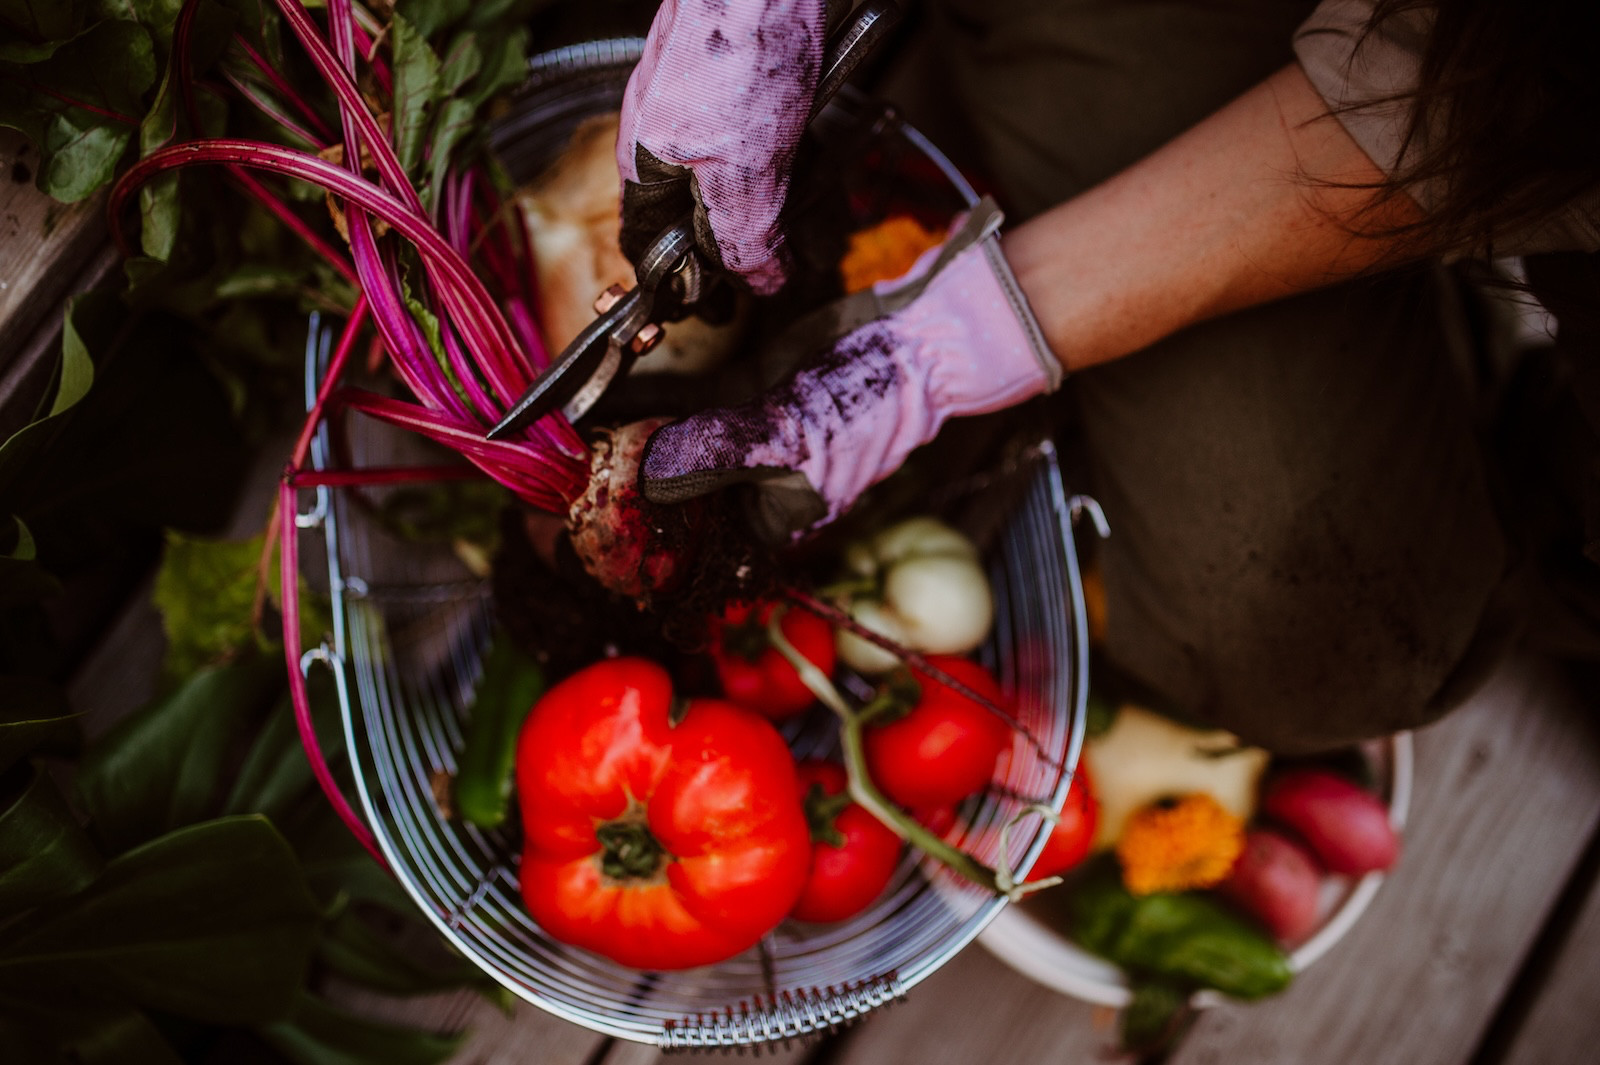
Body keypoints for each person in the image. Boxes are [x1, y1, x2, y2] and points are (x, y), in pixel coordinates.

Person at [610, 0, 1600, 752]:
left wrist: (942, 351)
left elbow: (1484, 100)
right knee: (1325, 630)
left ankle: (1545, 493)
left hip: (1499, 92)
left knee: (1337, 643)